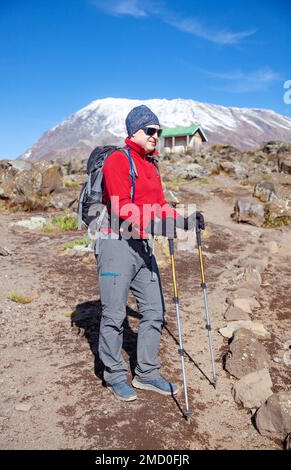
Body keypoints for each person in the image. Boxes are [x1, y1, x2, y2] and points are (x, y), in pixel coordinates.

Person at [94, 105, 204, 401]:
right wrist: (156, 224)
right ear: (134, 131)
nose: (157, 136)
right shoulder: (118, 160)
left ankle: (146, 373)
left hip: (142, 245)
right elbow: (120, 206)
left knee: (155, 310)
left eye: (159, 131)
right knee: (114, 314)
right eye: (150, 130)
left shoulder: (151, 166)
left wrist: (184, 219)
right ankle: (115, 375)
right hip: (115, 244)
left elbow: (160, 205)